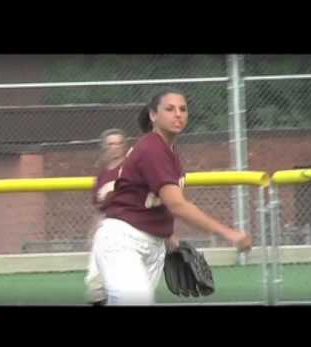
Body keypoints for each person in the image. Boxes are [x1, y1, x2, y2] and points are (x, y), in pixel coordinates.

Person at [91, 88, 252, 305]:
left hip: (151, 243)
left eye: (183, 109)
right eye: (169, 109)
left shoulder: (168, 151)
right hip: (124, 240)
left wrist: (168, 235)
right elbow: (177, 205)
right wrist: (229, 233)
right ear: (153, 115)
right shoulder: (152, 147)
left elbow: (158, 202)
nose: (178, 114)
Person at [84, 128, 128, 306]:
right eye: (110, 144)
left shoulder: (131, 170)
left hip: (126, 230)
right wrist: (93, 232)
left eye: (118, 143)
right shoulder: (102, 175)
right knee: (95, 287)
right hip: (105, 230)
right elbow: (99, 209)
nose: (114, 148)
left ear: (124, 147)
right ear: (104, 148)